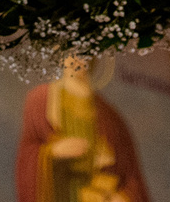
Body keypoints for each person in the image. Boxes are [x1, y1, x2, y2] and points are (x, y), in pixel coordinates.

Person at [16, 57, 151, 202]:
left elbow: (129, 173)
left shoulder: (109, 115)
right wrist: (53, 152)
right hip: (62, 193)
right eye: (71, 54)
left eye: (84, 55)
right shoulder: (41, 99)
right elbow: (27, 155)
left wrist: (123, 197)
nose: (77, 61)